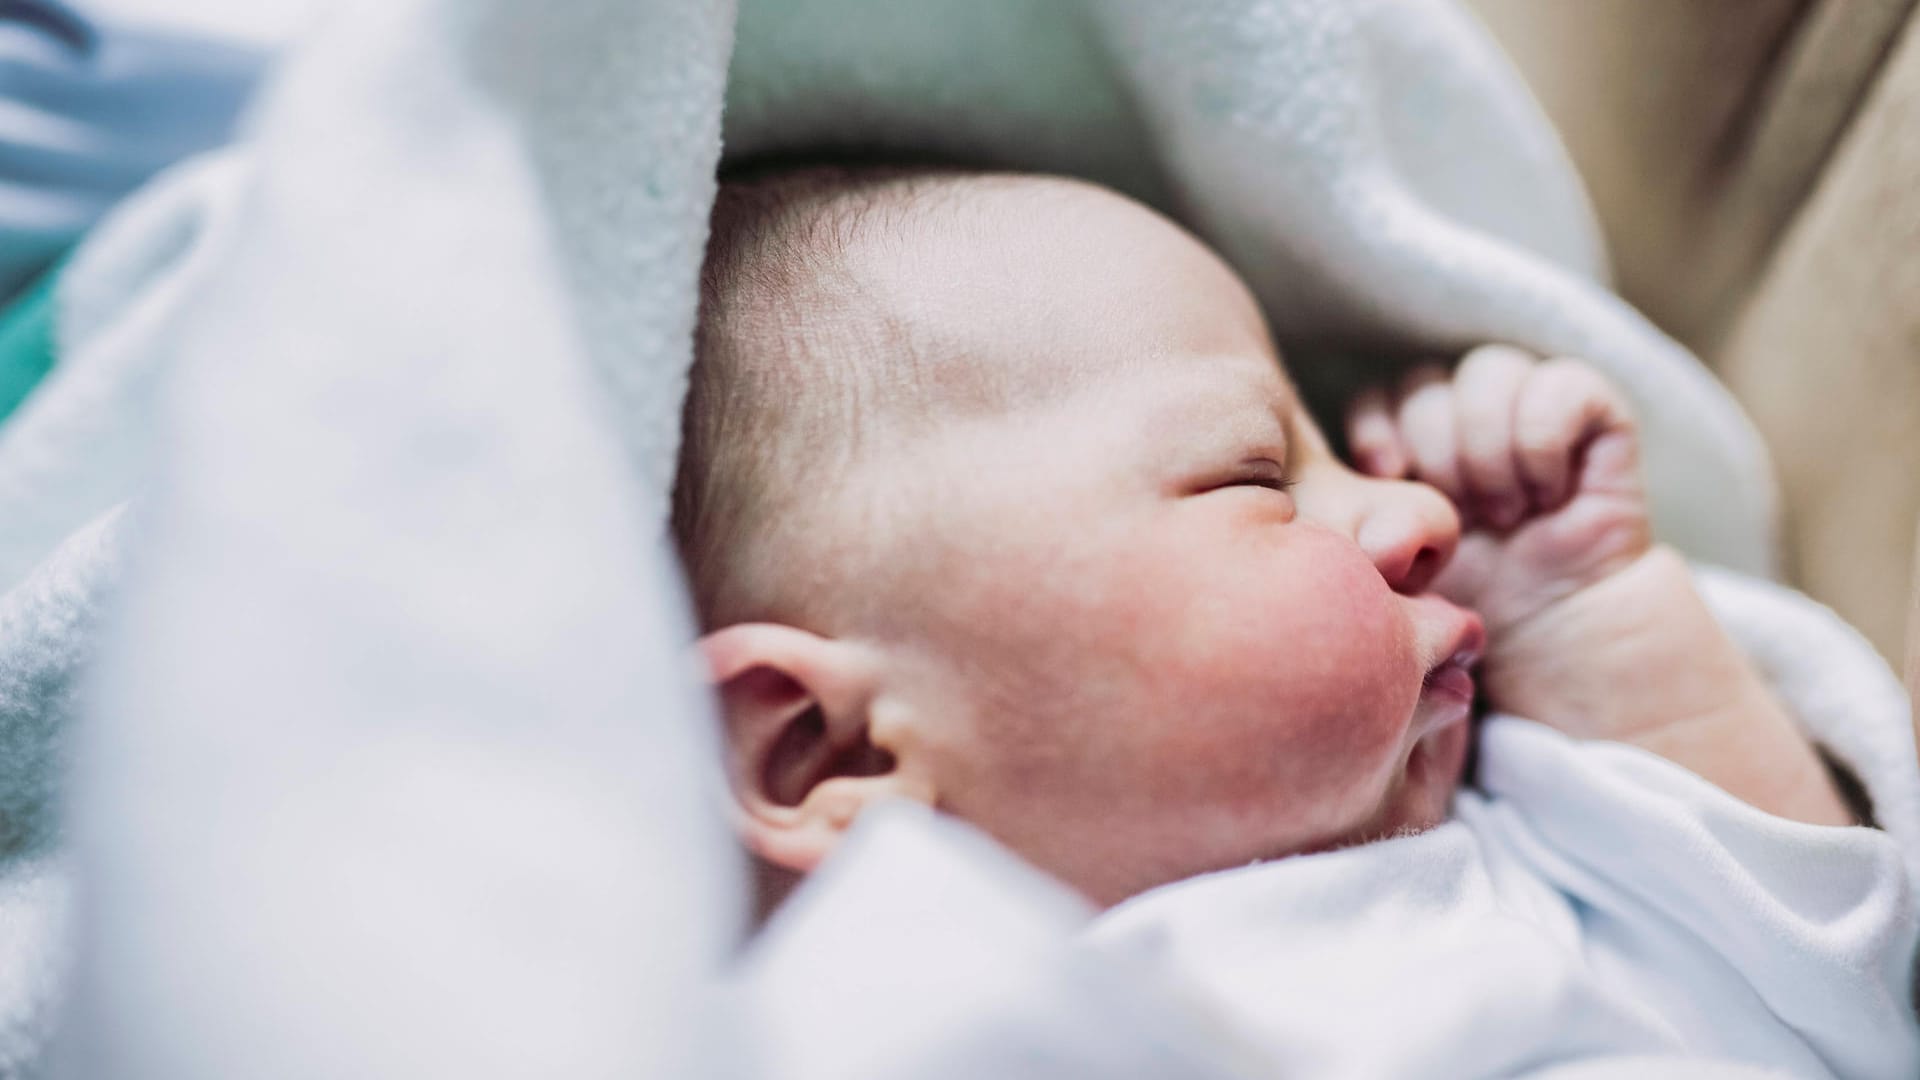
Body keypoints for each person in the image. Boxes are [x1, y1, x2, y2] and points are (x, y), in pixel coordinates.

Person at [673, 165, 1915, 1074]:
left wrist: (1576, 600)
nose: (1416, 507)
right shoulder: (859, 1009)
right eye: (1257, 477)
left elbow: (1823, 969)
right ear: (829, 752)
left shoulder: (1531, 861)